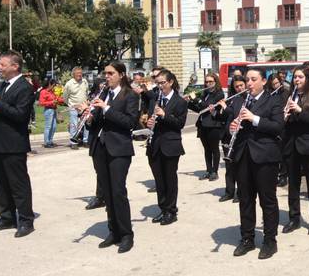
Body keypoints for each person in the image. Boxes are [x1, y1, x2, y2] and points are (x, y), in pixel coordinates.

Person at [225, 67, 283, 259]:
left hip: (265, 157)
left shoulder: (274, 100)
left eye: (253, 79)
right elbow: (228, 126)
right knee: (245, 199)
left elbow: (278, 127)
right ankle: (247, 238)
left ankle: (269, 240)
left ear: (263, 81)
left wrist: (255, 119)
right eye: (247, 80)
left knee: (267, 200)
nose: (249, 83)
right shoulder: (239, 101)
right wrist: (232, 128)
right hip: (243, 156)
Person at [82, 61, 139, 253]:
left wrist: (106, 109)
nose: (106, 77)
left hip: (119, 149)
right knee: (106, 192)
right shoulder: (103, 93)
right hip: (100, 147)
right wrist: (89, 117)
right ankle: (113, 230)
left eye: (110, 73)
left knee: (117, 191)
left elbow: (130, 122)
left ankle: (126, 234)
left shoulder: (129, 95)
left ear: (121, 74)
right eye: (105, 73)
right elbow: (97, 123)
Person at [0, 50, 35, 238]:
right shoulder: (2, 85)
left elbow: (20, 116)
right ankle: (7, 217)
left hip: (14, 144)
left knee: (18, 184)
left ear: (15, 66)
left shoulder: (25, 88)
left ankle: (26, 220)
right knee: (1, 183)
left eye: (3, 65)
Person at [281, 66, 309, 236]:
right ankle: (294, 218)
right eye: (294, 77)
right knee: (293, 184)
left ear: (307, 79)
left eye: (300, 77)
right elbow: (282, 122)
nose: (296, 80)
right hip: (291, 146)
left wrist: (299, 111)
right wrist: (284, 117)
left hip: (308, 145)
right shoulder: (288, 96)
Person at [145, 69, 188, 226]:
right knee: (159, 180)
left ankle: (171, 211)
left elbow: (180, 124)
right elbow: (150, 118)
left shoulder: (180, 101)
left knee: (170, 179)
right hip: (154, 144)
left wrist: (165, 115)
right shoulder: (155, 99)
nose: (160, 86)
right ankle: (163, 209)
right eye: (158, 83)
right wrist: (149, 122)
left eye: (163, 83)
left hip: (170, 145)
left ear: (170, 82)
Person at [187, 72, 225, 181]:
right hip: (203, 124)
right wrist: (189, 102)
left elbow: (208, 107)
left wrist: (196, 99)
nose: (208, 84)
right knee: (206, 149)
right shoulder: (205, 93)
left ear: (215, 82)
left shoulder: (219, 94)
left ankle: (215, 171)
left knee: (214, 149)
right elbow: (200, 109)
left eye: (210, 82)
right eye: (206, 82)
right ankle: (208, 170)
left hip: (214, 125)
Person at [217, 75, 247, 202]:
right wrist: (216, 110)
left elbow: (235, 114)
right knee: (229, 167)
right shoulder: (232, 98)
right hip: (227, 136)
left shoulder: (246, 98)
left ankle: (240, 193)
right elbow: (223, 117)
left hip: (239, 137)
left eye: (241, 85)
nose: (239, 88)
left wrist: (225, 108)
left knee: (240, 167)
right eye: (237, 87)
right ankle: (229, 191)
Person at [85, 79, 107, 210]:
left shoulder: (110, 98)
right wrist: (88, 117)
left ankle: (104, 197)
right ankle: (101, 196)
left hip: (108, 140)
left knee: (107, 172)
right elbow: (92, 122)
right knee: (99, 170)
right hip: (96, 139)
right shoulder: (97, 97)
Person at [64, 67, 90, 149]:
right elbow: (65, 97)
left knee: (86, 125)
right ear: (73, 74)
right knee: (74, 125)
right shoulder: (69, 84)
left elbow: (87, 93)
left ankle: (86, 141)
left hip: (84, 107)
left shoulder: (85, 81)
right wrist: (71, 105)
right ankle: (73, 142)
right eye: (78, 73)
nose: (80, 75)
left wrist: (86, 103)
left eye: (81, 73)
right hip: (74, 108)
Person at [39, 79, 64, 148]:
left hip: (54, 110)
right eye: (53, 85)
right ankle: (46, 142)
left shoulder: (52, 92)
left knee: (54, 127)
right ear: (49, 84)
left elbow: (57, 99)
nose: (54, 87)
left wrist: (62, 99)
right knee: (48, 127)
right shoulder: (43, 92)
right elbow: (41, 103)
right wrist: (51, 102)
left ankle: (50, 141)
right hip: (48, 110)